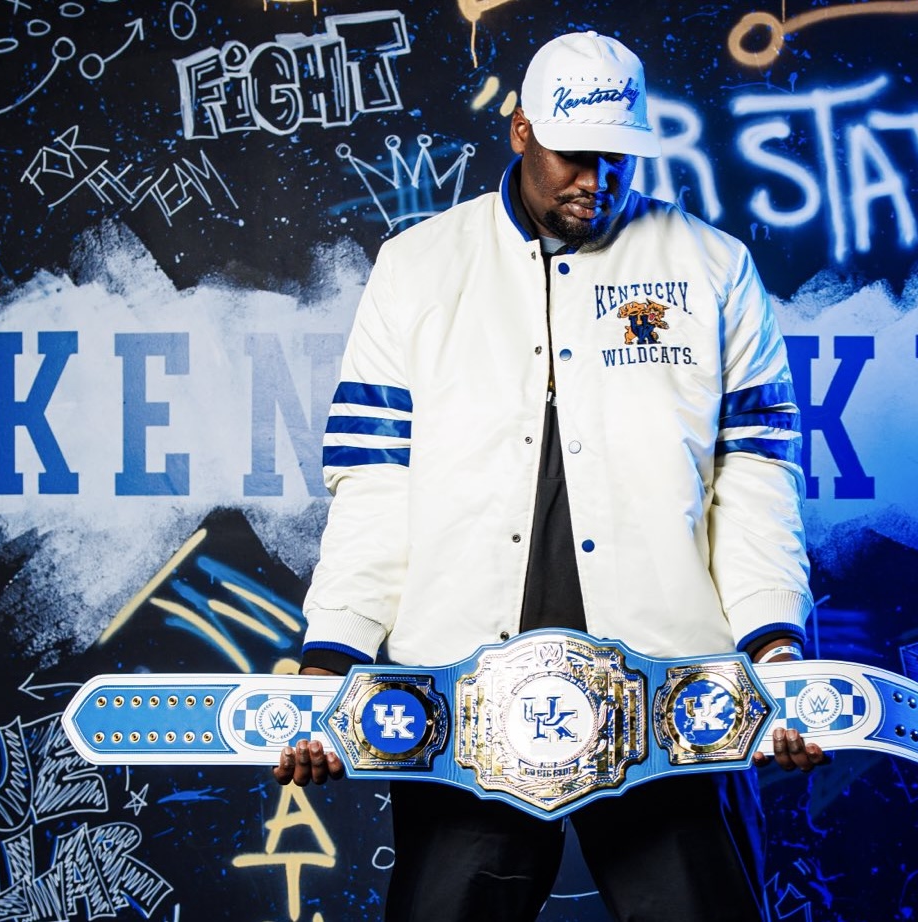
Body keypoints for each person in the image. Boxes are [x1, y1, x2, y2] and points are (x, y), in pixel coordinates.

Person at [275, 30, 826, 922]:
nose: (597, 179)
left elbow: (753, 476)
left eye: (618, 156)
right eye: (575, 154)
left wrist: (773, 645)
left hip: (671, 690)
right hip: (458, 691)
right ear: (522, 129)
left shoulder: (712, 267)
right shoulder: (416, 269)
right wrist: (330, 652)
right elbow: (374, 480)